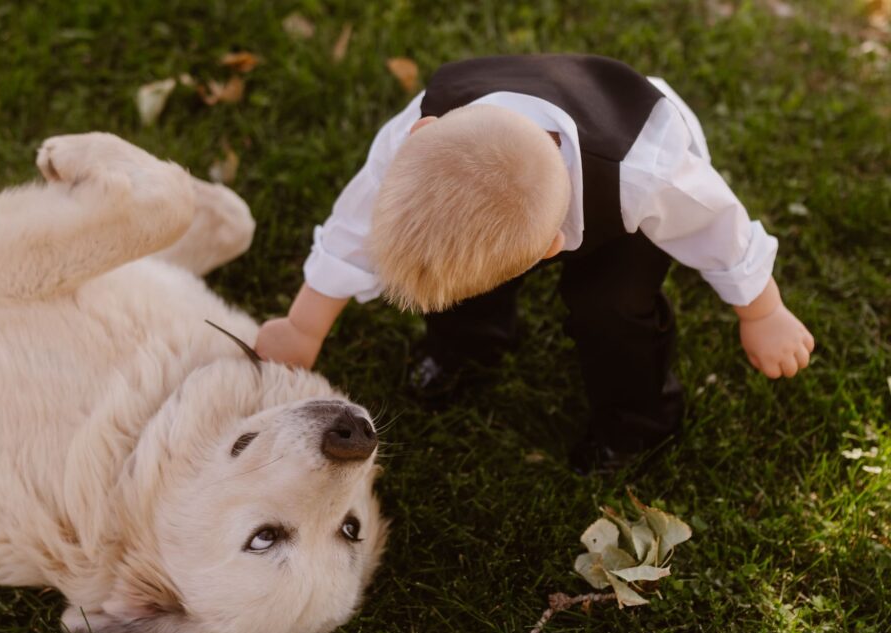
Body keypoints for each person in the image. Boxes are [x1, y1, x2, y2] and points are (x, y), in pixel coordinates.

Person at [255, 54, 814, 474]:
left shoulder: (649, 176)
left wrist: (762, 312)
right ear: (419, 138)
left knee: (611, 305)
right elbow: (353, 228)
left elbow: (718, 224)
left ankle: (638, 422)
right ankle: (467, 345)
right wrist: (303, 326)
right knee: (464, 273)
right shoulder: (415, 132)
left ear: (550, 246)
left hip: (626, 185)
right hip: (531, 156)